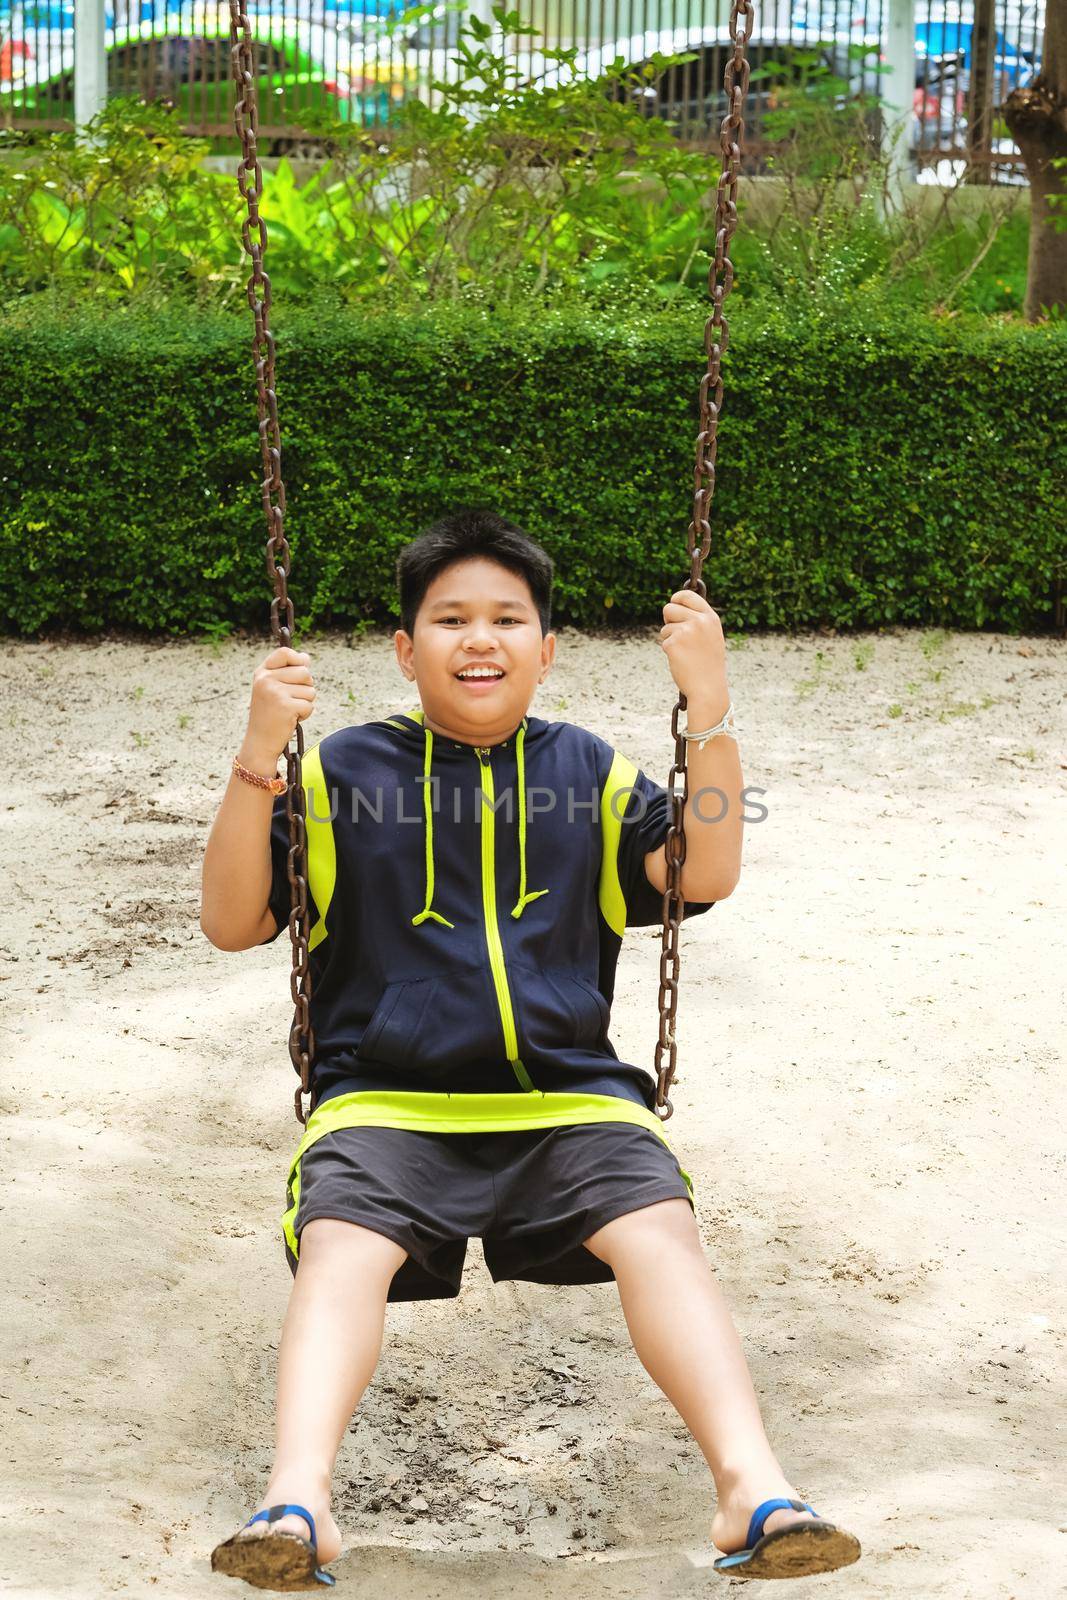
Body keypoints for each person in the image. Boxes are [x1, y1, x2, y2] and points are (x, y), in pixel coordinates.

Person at [201, 510, 861, 1588]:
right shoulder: (342, 774)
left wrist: (711, 708)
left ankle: (753, 1488)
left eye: (508, 617)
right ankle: (297, 1497)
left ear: (546, 649)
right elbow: (232, 920)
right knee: (341, 1247)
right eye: (449, 617)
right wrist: (258, 757)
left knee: (658, 1229)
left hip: (568, 1100)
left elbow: (703, 872)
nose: (480, 638)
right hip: (384, 1101)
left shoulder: (587, 772)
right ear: (404, 648)